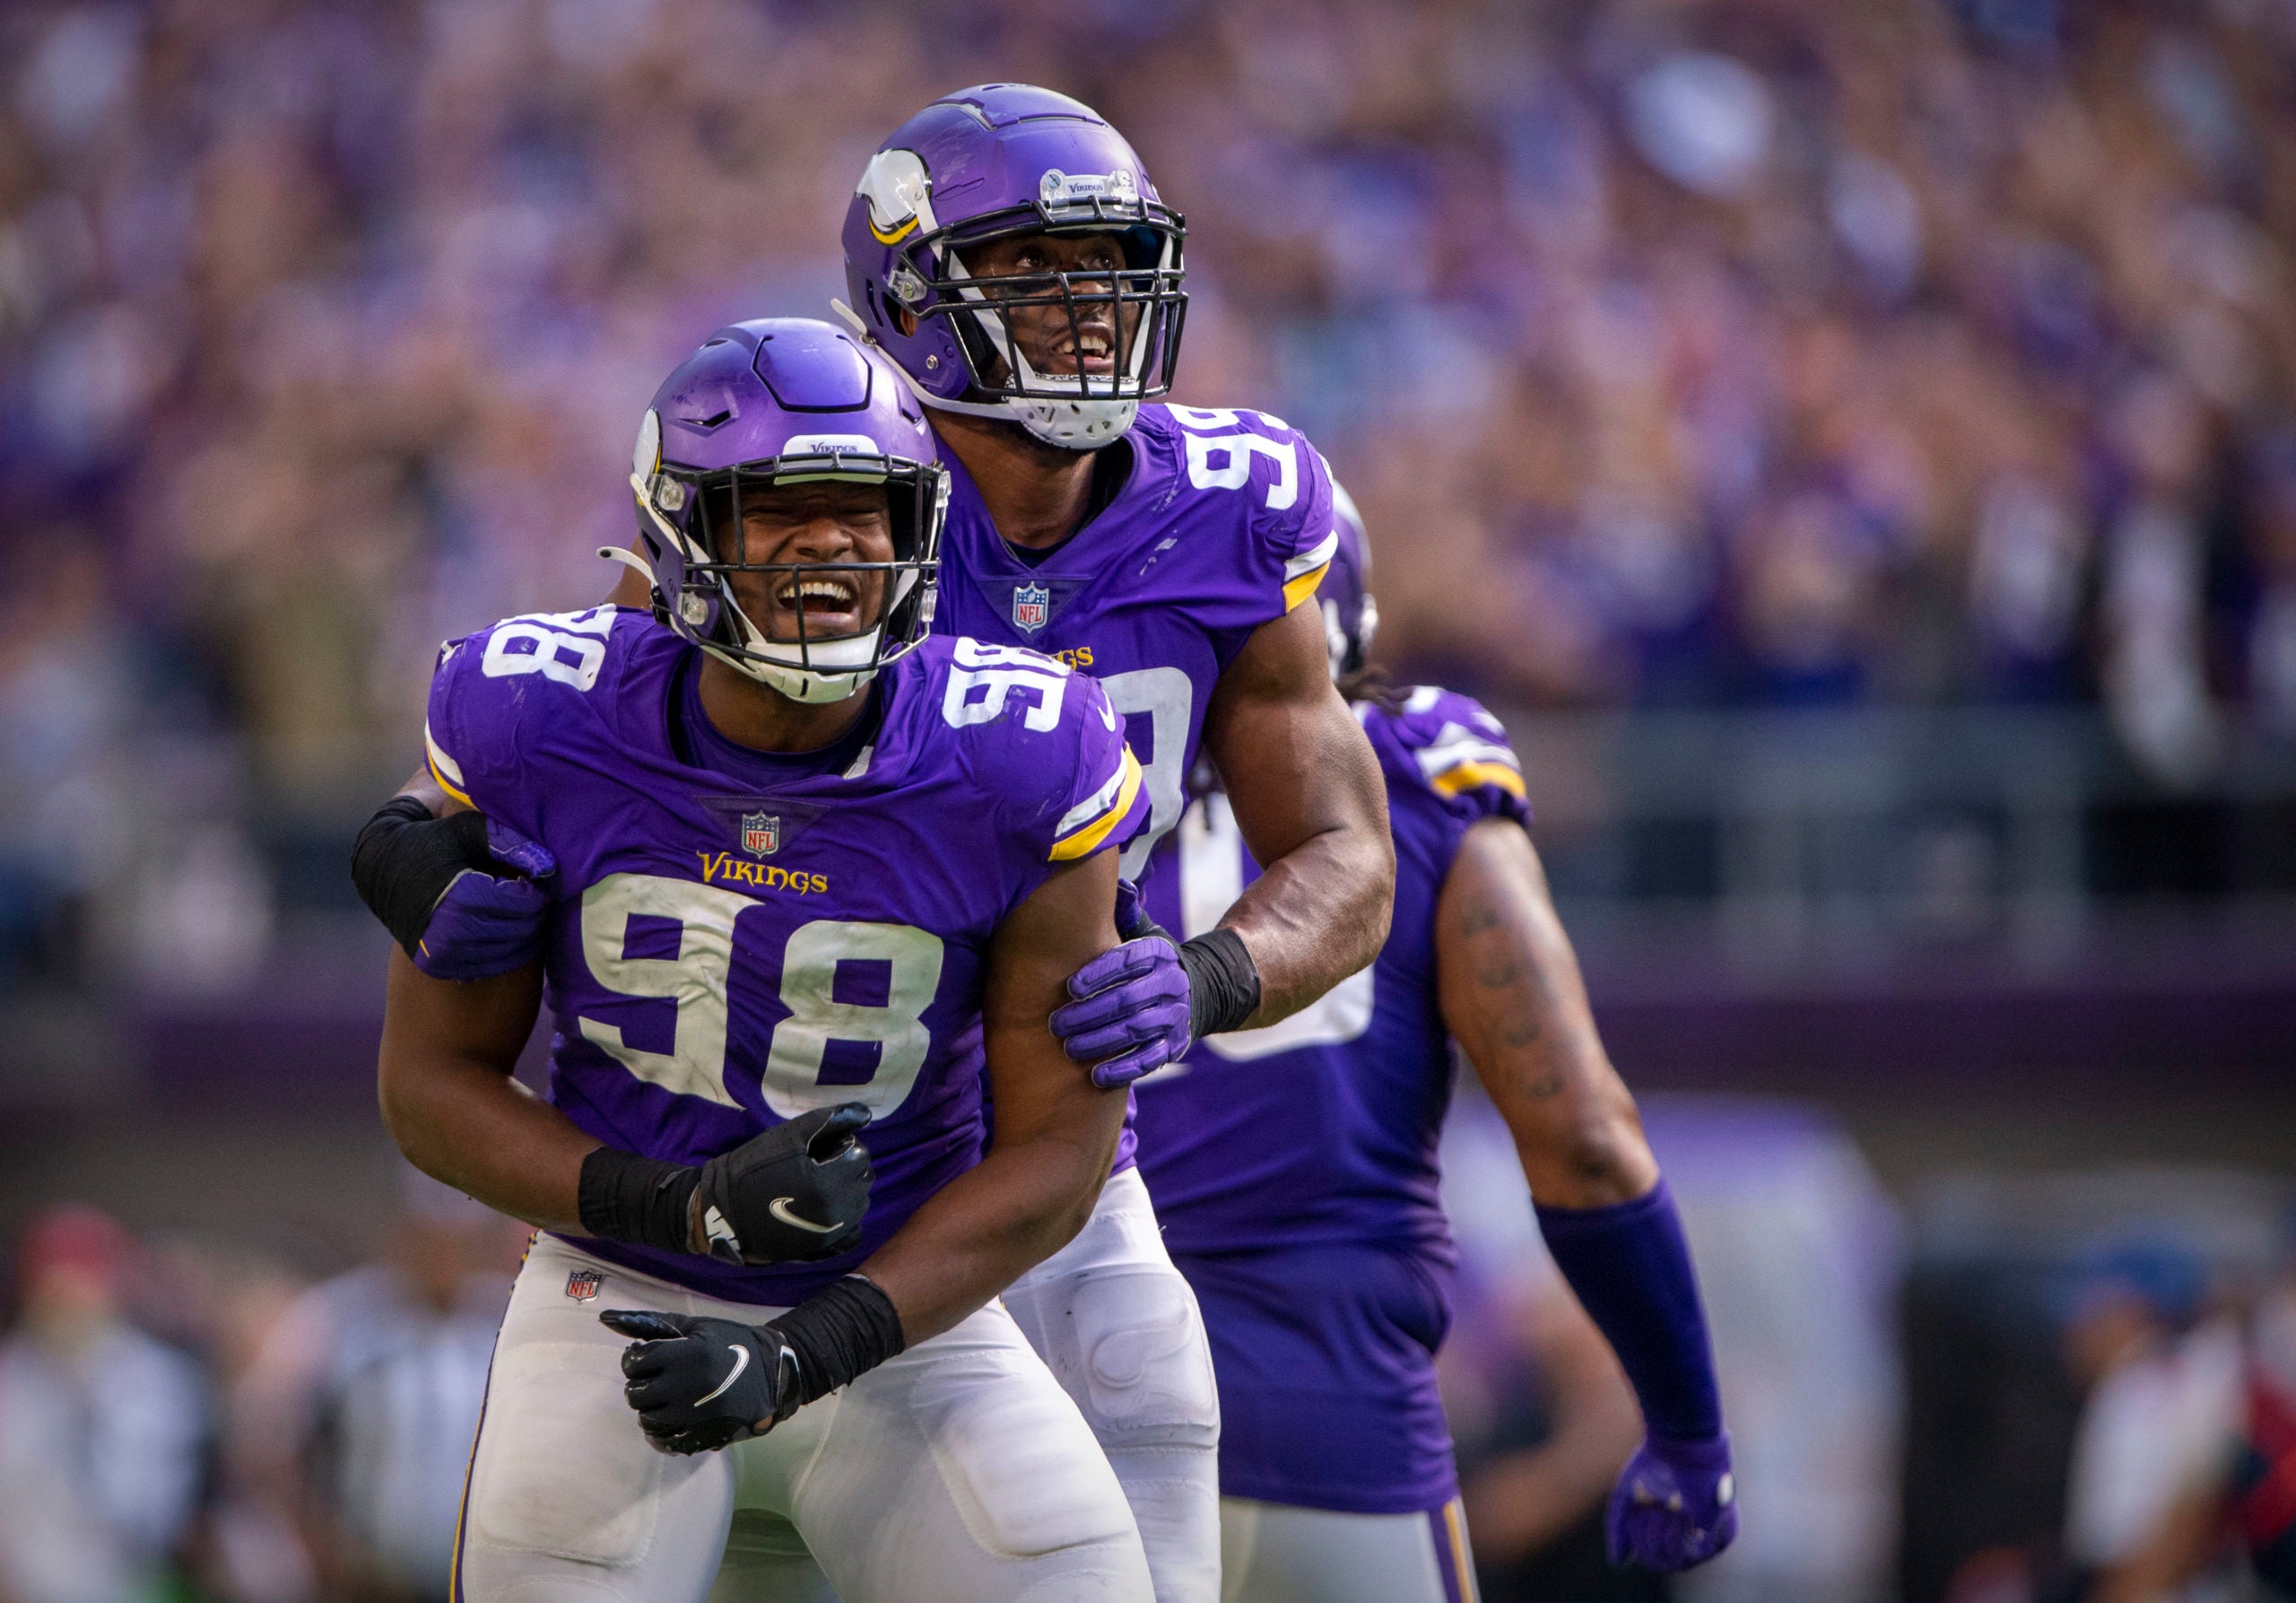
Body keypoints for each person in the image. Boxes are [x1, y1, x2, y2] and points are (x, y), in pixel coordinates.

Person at [356, 83, 1396, 1603]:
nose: (1093, 317)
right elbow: (588, 756)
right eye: (1038, 276)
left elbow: (1346, 851)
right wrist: (410, 861)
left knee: (1135, 1432)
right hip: (716, 1131)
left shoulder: (1235, 504)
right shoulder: (798, 461)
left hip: (1021, 1105)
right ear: (915, 296)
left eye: (1110, 274)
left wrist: (1218, 975)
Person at [374, 318, 1161, 1601]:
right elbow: (429, 1089)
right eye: (780, 508)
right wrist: (672, 1208)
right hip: (616, 1290)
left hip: (906, 1311)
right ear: (683, 527)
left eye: (867, 509)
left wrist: (809, 1346)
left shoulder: (1022, 749)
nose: (834, 543)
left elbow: (1056, 1154)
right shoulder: (538, 714)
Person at [1128, 497, 1735, 1600]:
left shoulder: (1021, 777)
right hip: (1337, 1430)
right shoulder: (1418, 774)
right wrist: (1687, 1426)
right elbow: (1585, 1136)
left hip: (1078, 1420)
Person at [234, 1169, 517, 1603]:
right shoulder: (335, 1319)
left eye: (455, 1239)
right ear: (399, 1233)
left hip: (478, 1581)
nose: (443, 1255)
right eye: (428, 1237)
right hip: (360, 1579)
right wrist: (316, 1545)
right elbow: (269, 1443)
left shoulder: (507, 1321)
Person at [0, 1206, 210, 1603]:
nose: (69, 1303)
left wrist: (84, 1400)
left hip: (125, 1587)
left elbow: (153, 1514)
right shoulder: (12, 1373)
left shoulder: (158, 1379)